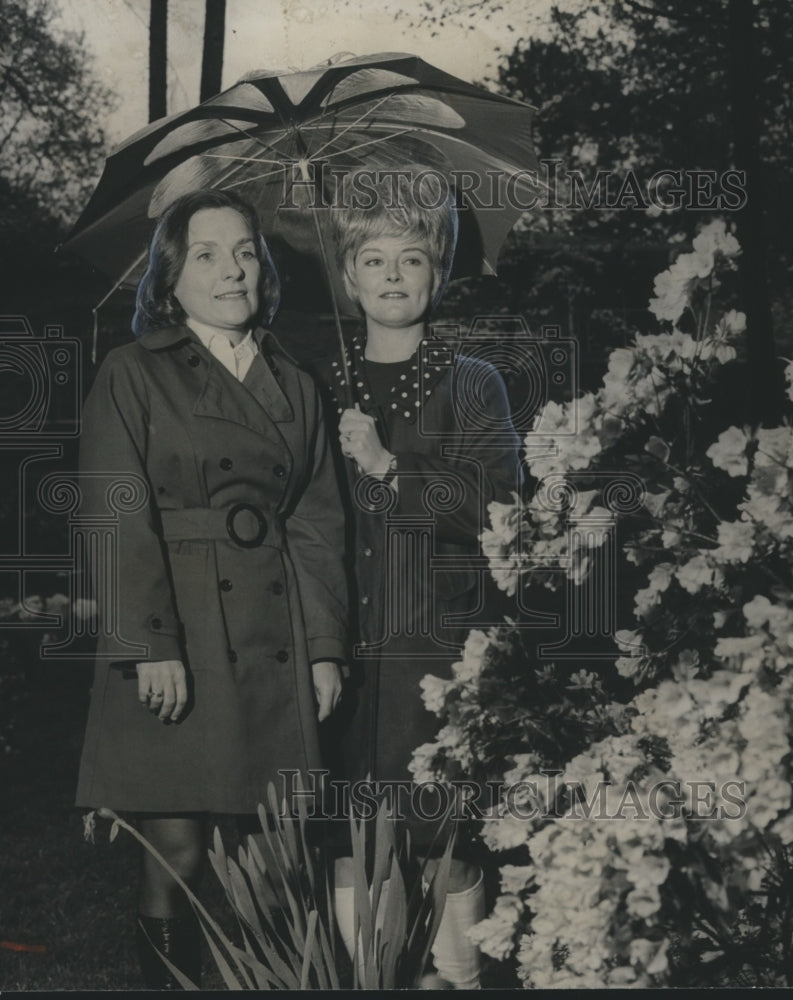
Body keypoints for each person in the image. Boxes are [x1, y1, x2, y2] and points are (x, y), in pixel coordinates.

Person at [74, 189, 347, 989]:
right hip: (177, 627)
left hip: (272, 630)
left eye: (246, 252)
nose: (233, 270)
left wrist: (324, 647)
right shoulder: (133, 373)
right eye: (206, 254)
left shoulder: (296, 382)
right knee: (178, 851)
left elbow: (316, 523)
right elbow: (113, 512)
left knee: (275, 852)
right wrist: (148, 643)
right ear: (168, 279)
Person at [325, 168, 521, 989]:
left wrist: (388, 465)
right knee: (352, 843)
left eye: (411, 258)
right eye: (373, 259)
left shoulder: (472, 381)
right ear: (347, 274)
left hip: (436, 648)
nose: (392, 276)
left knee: (441, 839)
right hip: (343, 648)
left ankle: (460, 980)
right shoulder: (322, 384)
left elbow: (498, 507)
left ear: (437, 272)